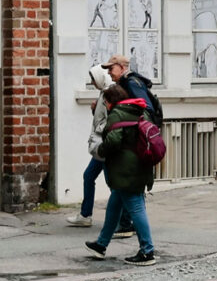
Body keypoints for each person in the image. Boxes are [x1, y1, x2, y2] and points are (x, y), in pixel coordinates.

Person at [85, 82, 158, 263]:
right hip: (140, 165)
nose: (106, 106)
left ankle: (147, 251)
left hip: (126, 170)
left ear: (110, 102)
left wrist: (100, 150)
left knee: (136, 207)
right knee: (114, 206)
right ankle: (101, 245)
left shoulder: (117, 113)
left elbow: (114, 141)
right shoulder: (139, 109)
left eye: (106, 102)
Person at [66, 64, 111, 227]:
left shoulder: (109, 93)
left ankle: (126, 219)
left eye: (93, 78)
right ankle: (85, 215)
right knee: (89, 176)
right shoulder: (103, 92)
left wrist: (99, 131)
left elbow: (111, 120)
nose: (92, 82)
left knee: (111, 182)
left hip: (105, 145)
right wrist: (95, 110)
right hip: (100, 145)